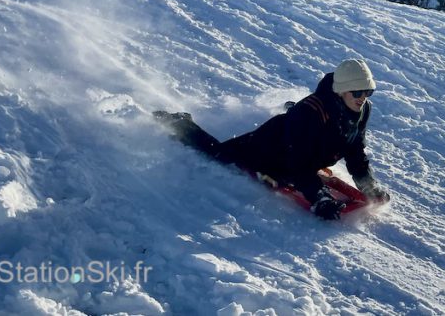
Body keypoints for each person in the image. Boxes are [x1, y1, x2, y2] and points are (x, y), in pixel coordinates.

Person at [161, 59, 391, 220]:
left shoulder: (362, 109)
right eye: (357, 92)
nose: (363, 98)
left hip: (303, 142)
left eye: (367, 92)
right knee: (220, 153)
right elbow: (298, 161)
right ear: (341, 91)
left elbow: (355, 149)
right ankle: (180, 123)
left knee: (303, 127)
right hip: (271, 147)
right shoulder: (311, 112)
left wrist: (368, 186)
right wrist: (318, 197)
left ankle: (290, 113)